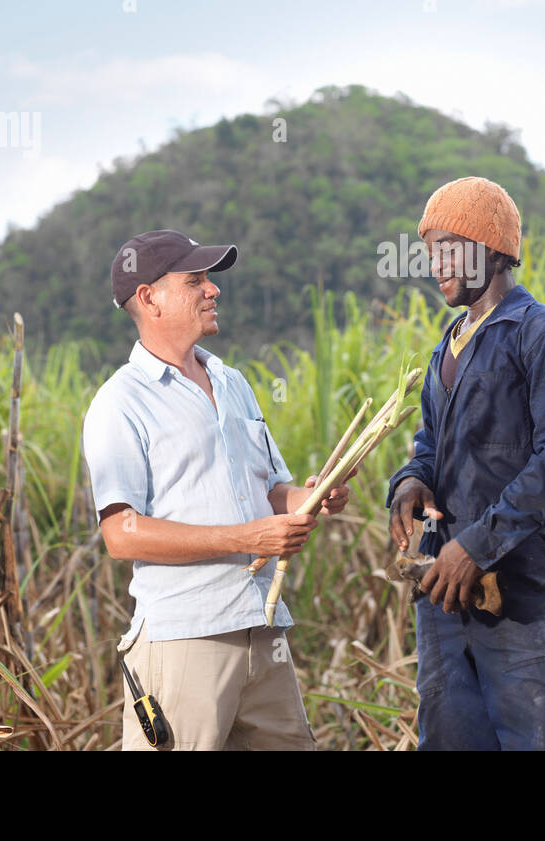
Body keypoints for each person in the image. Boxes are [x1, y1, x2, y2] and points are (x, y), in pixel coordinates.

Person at [82, 228, 351, 750]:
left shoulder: (233, 383)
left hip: (263, 628)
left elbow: (275, 494)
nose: (214, 290)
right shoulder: (120, 403)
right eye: (196, 280)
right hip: (185, 636)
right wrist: (247, 539)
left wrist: (316, 498)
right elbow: (121, 535)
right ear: (149, 298)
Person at [386, 177, 545, 750]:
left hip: (524, 585)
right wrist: (413, 478)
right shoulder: (449, 343)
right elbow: (432, 437)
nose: (433, 263)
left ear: (491, 249)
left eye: (446, 248)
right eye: (428, 251)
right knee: (454, 736)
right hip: (444, 588)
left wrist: (479, 545)